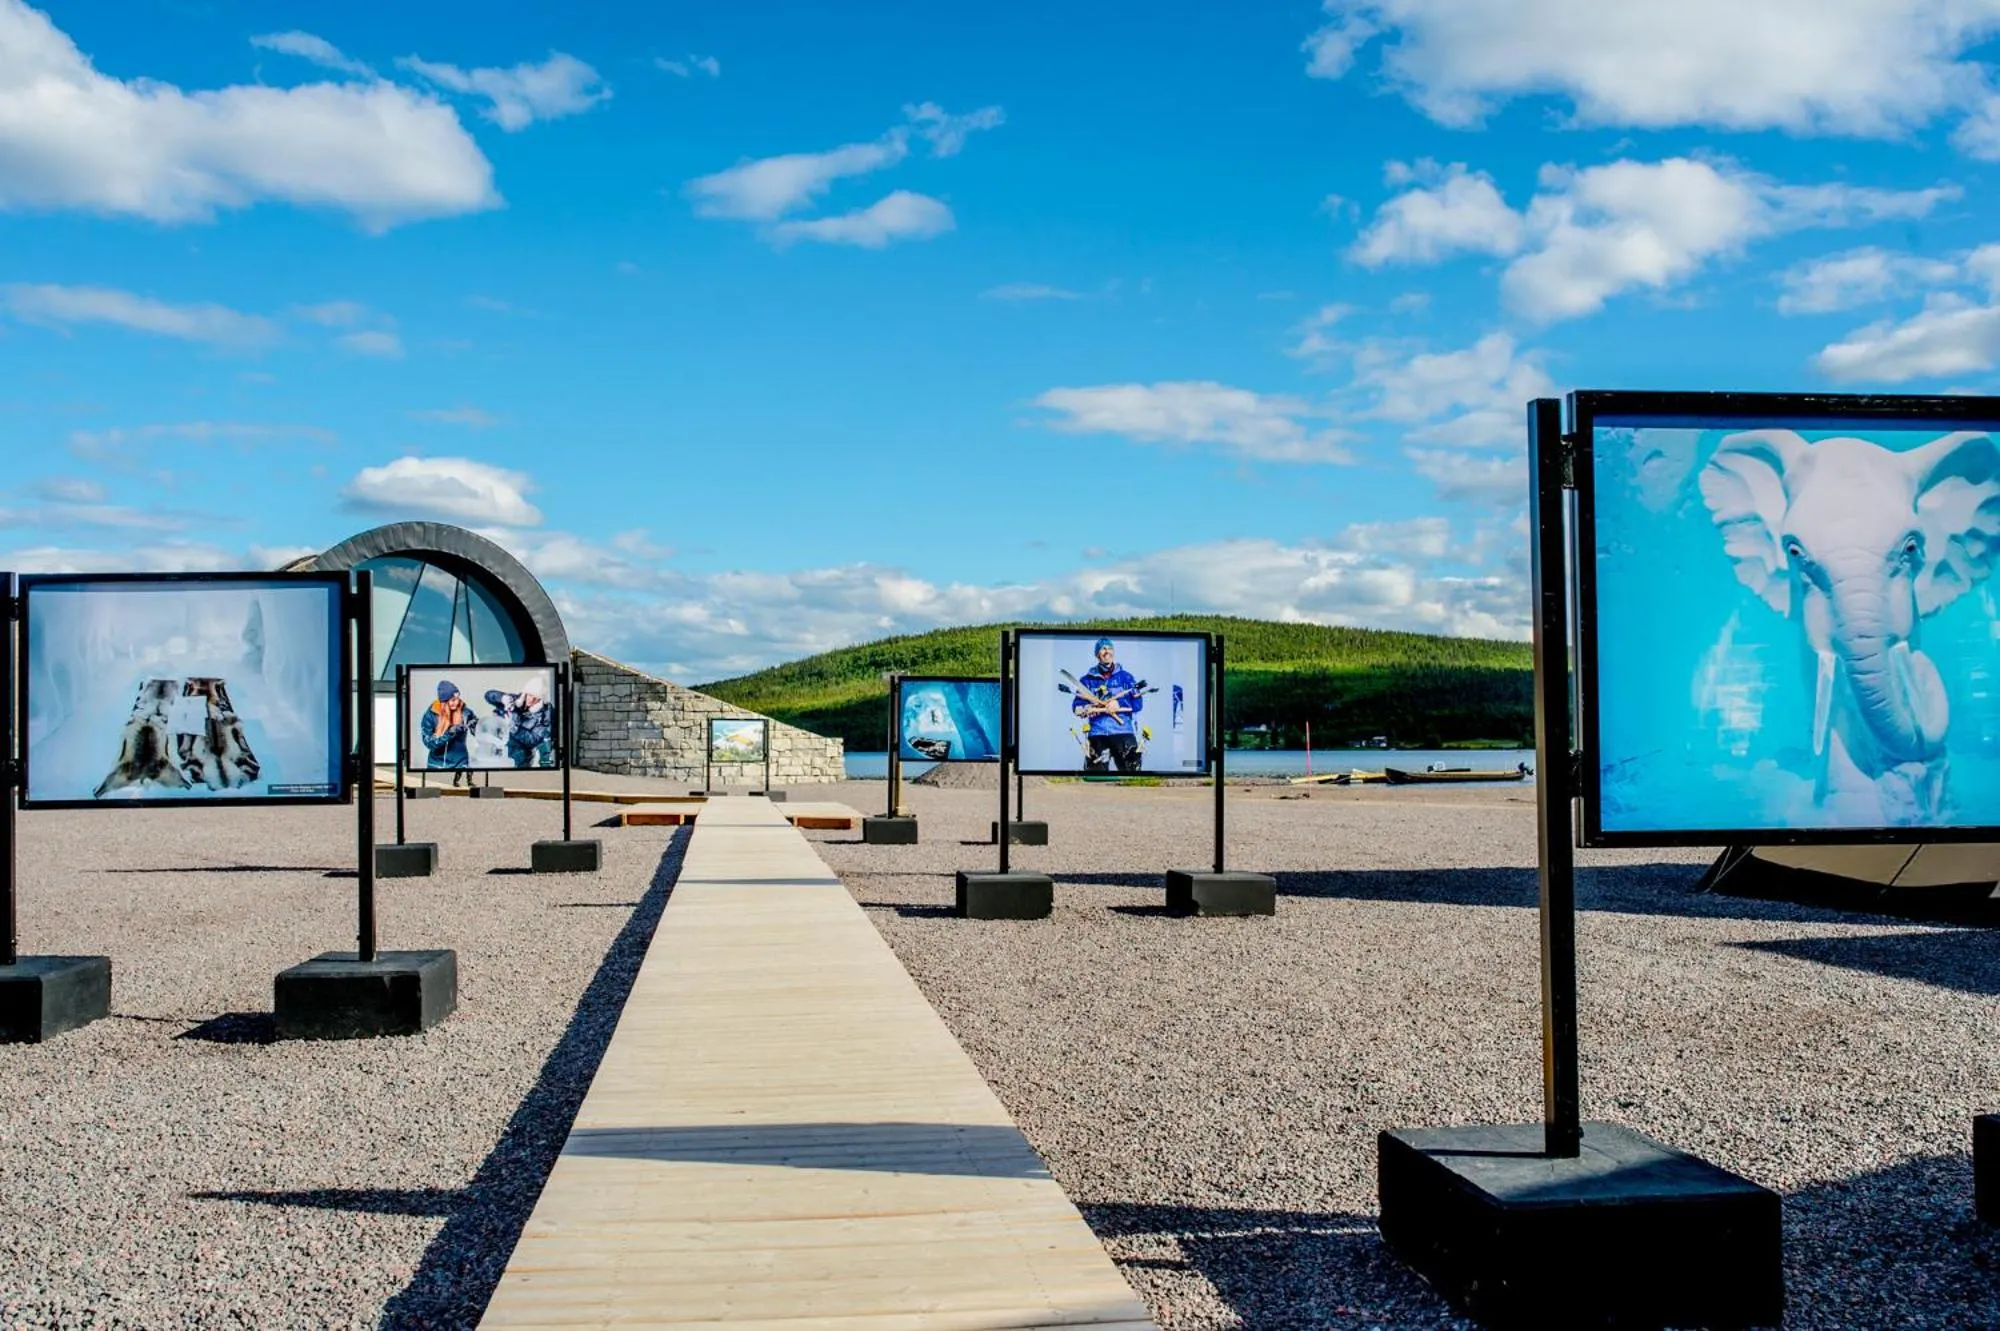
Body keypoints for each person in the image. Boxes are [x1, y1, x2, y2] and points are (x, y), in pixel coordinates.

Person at [1073, 637, 1144, 773]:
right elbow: (1077, 705)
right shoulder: (1086, 680)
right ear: (1097, 654)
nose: (1107, 651)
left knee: (1131, 773)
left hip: (1123, 731)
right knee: (1095, 775)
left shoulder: (1126, 678)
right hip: (1097, 733)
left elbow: (1138, 703)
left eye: (1110, 648)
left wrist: (1119, 703)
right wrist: (1085, 708)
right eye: (1103, 648)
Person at [420, 679, 476, 784]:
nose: (457, 702)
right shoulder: (430, 716)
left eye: (458, 698)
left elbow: (479, 733)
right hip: (436, 764)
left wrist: (475, 726)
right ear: (444, 701)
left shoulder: (466, 712)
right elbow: (429, 743)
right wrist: (449, 733)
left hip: (461, 762)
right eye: (453, 699)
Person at [484, 687, 555, 769]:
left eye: (536, 698)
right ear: (525, 693)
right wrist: (502, 697)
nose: (531, 699)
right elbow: (488, 695)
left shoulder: (545, 716)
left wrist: (513, 727)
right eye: (530, 695)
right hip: (499, 752)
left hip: (520, 759)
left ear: (541, 700)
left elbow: (533, 740)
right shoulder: (514, 700)